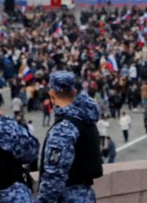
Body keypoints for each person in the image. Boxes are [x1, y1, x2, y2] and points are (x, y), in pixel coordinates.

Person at [38, 71, 104, 203]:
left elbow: (54, 176)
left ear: (51, 95)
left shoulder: (64, 128)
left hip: (67, 197)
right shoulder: (85, 120)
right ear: (74, 92)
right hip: (86, 195)